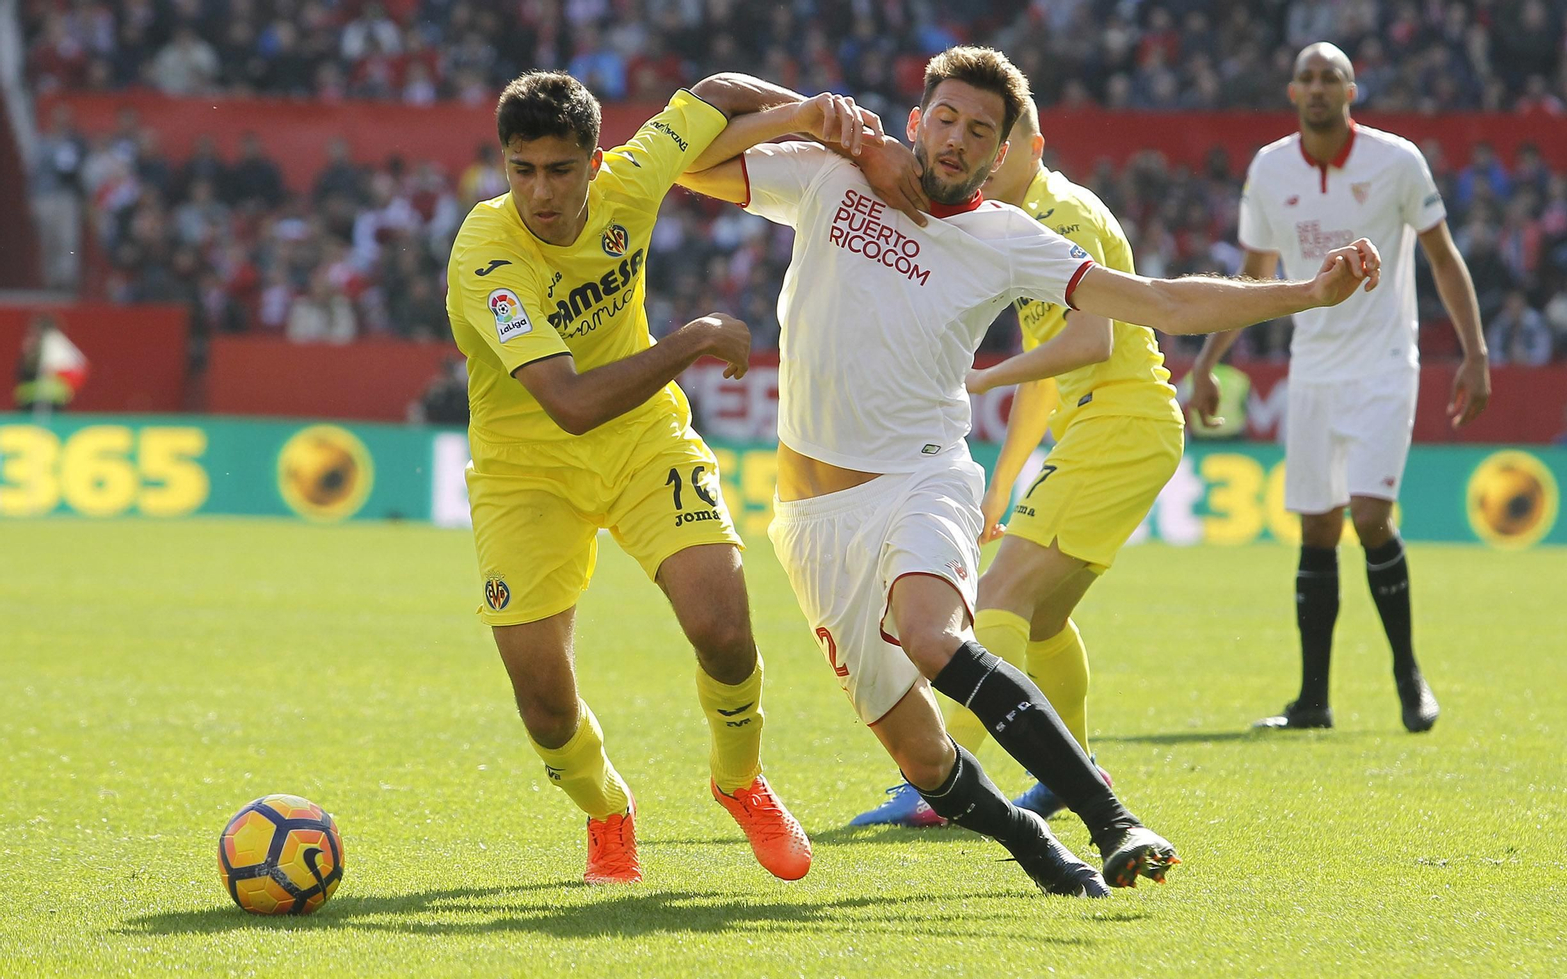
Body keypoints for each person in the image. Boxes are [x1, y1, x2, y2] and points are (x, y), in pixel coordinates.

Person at [679, 45, 1382, 892]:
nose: (957, 140)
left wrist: (1306, 293)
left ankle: (1113, 819)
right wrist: (813, 117)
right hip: (815, 524)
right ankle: (1030, 839)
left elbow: (1160, 302)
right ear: (915, 121)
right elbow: (689, 148)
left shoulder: (1010, 239)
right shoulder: (835, 175)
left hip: (920, 477)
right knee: (924, 756)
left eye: (981, 131)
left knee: (938, 637)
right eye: (944, 119)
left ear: (1002, 152)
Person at [447, 69, 883, 886]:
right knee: (543, 702)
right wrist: (694, 338)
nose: (541, 191)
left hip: (645, 441)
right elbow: (569, 403)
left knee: (723, 627)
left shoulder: (634, 177)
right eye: (522, 169)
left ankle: (741, 781)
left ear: (595, 159)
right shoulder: (487, 254)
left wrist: (807, 115)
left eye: (560, 169)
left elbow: (716, 90)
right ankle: (609, 810)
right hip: (524, 471)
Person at [846, 95, 1185, 828]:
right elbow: (1047, 369)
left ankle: (935, 784)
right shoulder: (1024, 228)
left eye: (991, 141)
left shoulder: (1058, 215)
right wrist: (1002, 484)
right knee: (1041, 618)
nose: (977, 158)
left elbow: (1089, 344)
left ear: (1026, 147)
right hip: (1108, 427)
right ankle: (1076, 769)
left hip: (1119, 426)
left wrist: (981, 376)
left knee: (997, 601)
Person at [1190, 42, 1492, 734]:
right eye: (1307, 78)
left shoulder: (1398, 160)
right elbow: (1256, 274)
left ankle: (1407, 674)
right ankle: (1313, 701)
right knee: (1318, 526)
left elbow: (1444, 260)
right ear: (1292, 93)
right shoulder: (1270, 168)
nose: (1319, 86)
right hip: (1313, 367)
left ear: (1352, 91)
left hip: (1386, 363)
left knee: (1369, 514)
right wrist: (1207, 363)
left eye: (1332, 76)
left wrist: (1475, 353)